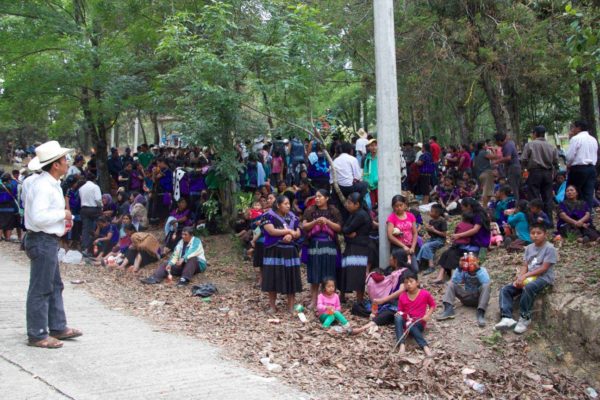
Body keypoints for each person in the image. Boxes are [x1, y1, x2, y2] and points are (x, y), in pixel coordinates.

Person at [23, 141, 82, 349]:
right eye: (64, 159)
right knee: (41, 288)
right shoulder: (43, 186)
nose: (67, 162)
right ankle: (37, 333)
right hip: (41, 240)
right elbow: (38, 217)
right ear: (55, 164)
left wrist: (62, 221)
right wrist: (62, 214)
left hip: (47, 240)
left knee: (55, 284)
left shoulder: (50, 184)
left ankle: (57, 325)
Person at [495, 223, 557, 334]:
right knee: (506, 289)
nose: (535, 235)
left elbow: (544, 268)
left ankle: (525, 318)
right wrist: (520, 278)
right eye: (533, 233)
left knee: (528, 288)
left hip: (543, 278)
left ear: (545, 234)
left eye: (539, 233)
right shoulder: (528, 248)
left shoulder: (550, 248)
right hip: (529, 276)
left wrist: (525, 276)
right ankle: (506, 318)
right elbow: (525, 265)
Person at [351, 249, 408, 335]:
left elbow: (401, 290)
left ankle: (362, 328)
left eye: (391, 257)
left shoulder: (405, 273)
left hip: (396, 304)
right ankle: (377, 314)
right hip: (384, 302)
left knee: (388, 313)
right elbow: (381, 276)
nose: (389, 259)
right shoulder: (390, 269)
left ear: (396, 260)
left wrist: (383, 300)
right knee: (357, 306)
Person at [433, 198, 491, 284]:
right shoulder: (473, 215)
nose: (462, 209)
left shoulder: (478, 215)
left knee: (454, 254)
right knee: (447, 253)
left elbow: (475, 230)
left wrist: (459, 235)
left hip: (477, 243)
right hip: (470, 242)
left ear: (469, 206)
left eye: (463, 207)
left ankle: (454, 279)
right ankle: (440, 276)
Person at [261, 195, 302, 314]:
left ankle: (290, 307)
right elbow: (271, 231)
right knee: (272, 277)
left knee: (291, 278)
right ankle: (272, 306)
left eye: (289, 203)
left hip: (290, 251)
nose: (288, 206)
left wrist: (292, 235)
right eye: (285, 204)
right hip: (274, 251)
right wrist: (288, 231)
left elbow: (298, 231)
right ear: (278, 205)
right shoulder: (268, 215)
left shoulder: (293, 217)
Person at [302, 189, 342, 309]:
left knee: (328, 273)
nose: (317, 199)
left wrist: (327, 221)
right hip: (314, 245)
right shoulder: (310, 210)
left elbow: (339, 228)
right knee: (315, 273)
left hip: (329, 246)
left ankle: (328, 301)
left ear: (327, 198)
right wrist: (315, 222)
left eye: (320, 196)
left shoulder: (333, 211)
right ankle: (314, 301)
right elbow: (304, 226)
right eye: (316, 196)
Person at [141, 227, 207, 287]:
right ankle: (155, 278)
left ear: (191, 235)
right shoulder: (181, 242)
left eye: (185, 234)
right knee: (166, 264)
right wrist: (170, 264)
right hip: (184, 265)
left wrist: (183, 258)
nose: (183, 236)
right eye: (182, 234)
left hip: (198, 265)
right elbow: (175, 254)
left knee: (192, 258)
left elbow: (193, 251)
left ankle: (184, 279)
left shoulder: (196, 241)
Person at [437, 255, 491, 327]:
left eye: (473, 261)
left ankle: (480, 313)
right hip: (466, 297)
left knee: (486, 285)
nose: (471, 264)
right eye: (469, 262)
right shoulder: (464, 271)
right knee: (451, 284)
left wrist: (477, 269)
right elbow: (455, 281)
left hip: (479, 299)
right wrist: (460, 267)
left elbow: (486, 281)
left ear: (477, 262)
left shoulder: (482, 270)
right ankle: (448, 309)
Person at [521, 125, 559, 224]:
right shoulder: (551, 146)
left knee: (534, 197)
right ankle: (548, 221)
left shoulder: (530, 145)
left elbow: (523, 159)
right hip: (547, 173)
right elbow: (556, 161)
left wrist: (524, 169)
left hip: (535, 172)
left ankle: (535, 220)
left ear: (535, 134)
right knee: (548, 197)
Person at [339, 193, 372, 305]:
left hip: (359, 247)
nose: (347, 205)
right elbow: (344, 228)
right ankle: (342, 296)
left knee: (358, 272)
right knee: (345, 271)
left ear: (357, 204)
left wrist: (347, 233)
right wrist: (347, 233)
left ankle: (360, 300)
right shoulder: (354, 214)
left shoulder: (360, 215)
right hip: (352, 245)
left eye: (349, 203)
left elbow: (346, 229)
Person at [394, 272, 435, 356]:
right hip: (406, 321)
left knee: (411, 325)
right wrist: (399, 314)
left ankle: (425, 347)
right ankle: (402, 345)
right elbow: (400, 311)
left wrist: (427, 315)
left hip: (418, 323)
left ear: (417, 282)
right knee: (397, 317)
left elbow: (433, 305)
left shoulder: (424, 294)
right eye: (406, 282)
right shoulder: (402, 296)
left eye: (411, 281)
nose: (408, 284)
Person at [566, 120, 598, 210]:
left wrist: (568, 164)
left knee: (573, 192)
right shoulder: (593, 139)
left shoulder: (576, 139)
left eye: (573, 127)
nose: (572, 129)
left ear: (578, 128)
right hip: (591, 169)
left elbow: (569, 156)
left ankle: (574, 215)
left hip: (578, 169)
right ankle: (588, 219)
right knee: (588, 194)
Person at [330, 142, 367, 216]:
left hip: (338, 188)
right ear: (351, 150)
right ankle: (359, 202)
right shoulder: (352, 159)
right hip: (348, 188)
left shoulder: (334, 161)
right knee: (365, 184)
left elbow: (331, 181)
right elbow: (358, 177)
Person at [386, 195, 418, 273]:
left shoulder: (411, 216)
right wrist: (403, 246)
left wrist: (413, 247)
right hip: (398, 248)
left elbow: (415, 233)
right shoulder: (392, 218)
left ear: (404, 205)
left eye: (401, 205)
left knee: (415, 270)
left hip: (410, 248)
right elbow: (390, 236)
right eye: (396, 206)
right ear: (393, 207)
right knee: (401, 270)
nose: (399, 208)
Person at [419, 204, 448, 275]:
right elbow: (430, 234)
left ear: (437, 213)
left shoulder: (442, 221)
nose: (430, 212)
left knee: (426, 246)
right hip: (433, 239)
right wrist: (428, 229)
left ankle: (431, 266)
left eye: (432, 211)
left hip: (440, 240)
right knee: (423, 246)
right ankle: (420, 263)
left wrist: (434, 230)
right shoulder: (431, 221)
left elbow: (444, 234)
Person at [79, 173, 102, 255]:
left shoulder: (81, 188)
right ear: (94, 179)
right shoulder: (95, 187)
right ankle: (95, 248)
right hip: (94, 209)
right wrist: (101, 207)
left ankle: (85, 247)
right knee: (98, 227)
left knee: (85, 229)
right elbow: (98, 200)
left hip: (84, 209)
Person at [494, 133, 521, 200]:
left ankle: (516, 204)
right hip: (514, 167)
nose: (496, 144)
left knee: (513, 187)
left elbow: (508, 158)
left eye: (496, 142)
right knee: (514, 187)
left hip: (513, 168)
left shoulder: (507, 146)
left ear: (500, 141)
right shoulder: (510, 143)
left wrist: (497, 161)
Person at [472, 141, 496, 207]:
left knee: (488, 192)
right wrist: (493, 150)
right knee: (486, 192)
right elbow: (494, 157)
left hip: (479, 174)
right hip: (487, 173)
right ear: (482, 146)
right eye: (485, 144)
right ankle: (484, 207)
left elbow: (474, 165)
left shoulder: (476, 154)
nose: (487, 145)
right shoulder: (484, 152)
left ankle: (485, 206)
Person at [362, 138, 379, 208]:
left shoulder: (381, 157)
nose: (374, 147)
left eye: (375, 145)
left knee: (381, 203)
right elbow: (365, 173)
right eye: (371, 145)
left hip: (379, 185)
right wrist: (367, 181)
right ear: (368, 147)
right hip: (370, 186)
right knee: (373, 205)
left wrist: (377, 180)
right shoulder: (367, 159)